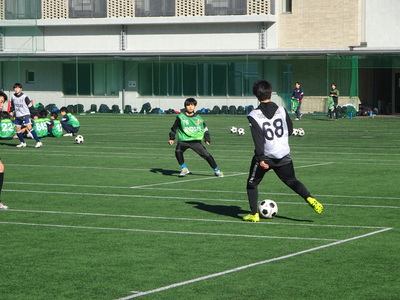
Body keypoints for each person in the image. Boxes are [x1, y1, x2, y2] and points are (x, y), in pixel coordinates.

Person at [243, 80, 323, 222]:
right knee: (292, 181)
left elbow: (258, 139)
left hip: (266, 156)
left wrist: (260, 158)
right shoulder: (281, 109)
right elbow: (290, 130)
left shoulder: (254, 115)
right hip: (283, 155)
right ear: (271, 93)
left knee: (252, 183)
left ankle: (254, 214)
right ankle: (309, 198)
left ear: (256, 96)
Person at [168, 98, 224, 177]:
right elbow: (174, 128)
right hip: (183, 140)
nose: (190, 107)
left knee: (207, 156)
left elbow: (205, 129)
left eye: (192, 105)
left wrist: (207, 139)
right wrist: (171, 138)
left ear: (195, 106)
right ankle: (184, 169)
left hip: (195, 142)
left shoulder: (199, 118)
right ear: (185, 106)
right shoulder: (180, 117)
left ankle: (217, 171)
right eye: (188, 105)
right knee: (178, 151)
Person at [9, 83, 42, 148]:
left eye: (18, 88)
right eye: (15, 88)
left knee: (29, 127)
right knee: (18, 129)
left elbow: (30, 106)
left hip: (25, 114)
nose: (16, 89)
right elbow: (12, 105)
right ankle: (23, 143)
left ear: (21, 89)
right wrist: (11, 111)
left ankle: (38, 142)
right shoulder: (13, 97)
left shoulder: (24, 97)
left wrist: (35, 114)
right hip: (18, 115)